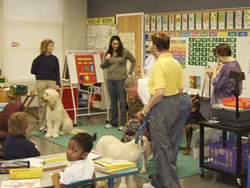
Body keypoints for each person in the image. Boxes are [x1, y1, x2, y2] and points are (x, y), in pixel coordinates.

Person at [141, 31, 183, 188]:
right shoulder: (176, 63)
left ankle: (170, 185)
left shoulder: (159, 64)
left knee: (160, 148)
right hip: (175, 104)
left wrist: (147, 107)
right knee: (168, 147)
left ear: (155, 46)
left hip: (162, 105)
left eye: (152, 44)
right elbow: (179, 90)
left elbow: (159, 92)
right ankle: (159, 182)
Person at [125, 76, 191, 163]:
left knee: (162, 136)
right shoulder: (146, 81)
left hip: (176, 103)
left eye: (129, 91)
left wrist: (142, 114)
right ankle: (168, 167)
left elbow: (149, 108)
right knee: (172, 137)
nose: (131, 94)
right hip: (183, 100)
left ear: (133, 86)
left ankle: (164, 169)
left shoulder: (141, 87)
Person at [100, 35, 136, 131]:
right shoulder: (108, 53)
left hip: (121, 80)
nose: (115, 45)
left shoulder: (124, 52)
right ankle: (113, 122)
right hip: (110, 80)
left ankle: (123, 123)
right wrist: (107, 58)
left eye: (117, 43)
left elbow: (133, 60)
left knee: (122, 103)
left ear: (119, 43)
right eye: (114, 44)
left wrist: (130, 73)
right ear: (111, 44)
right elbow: (102, 66)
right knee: (113, 103)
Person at [31, 39, 61, 132]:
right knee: (43, 104)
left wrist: (58, 84)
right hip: (41, 82)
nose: (52, 48)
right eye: (50, 46)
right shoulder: (38, 59)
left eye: (52, 46)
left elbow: (57, 72)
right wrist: (41, 75)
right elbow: (32, 71)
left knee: (53, 103)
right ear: (45, 47)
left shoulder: (55, 59)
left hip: (52, 82)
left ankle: (52, 123)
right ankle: (43, 124)